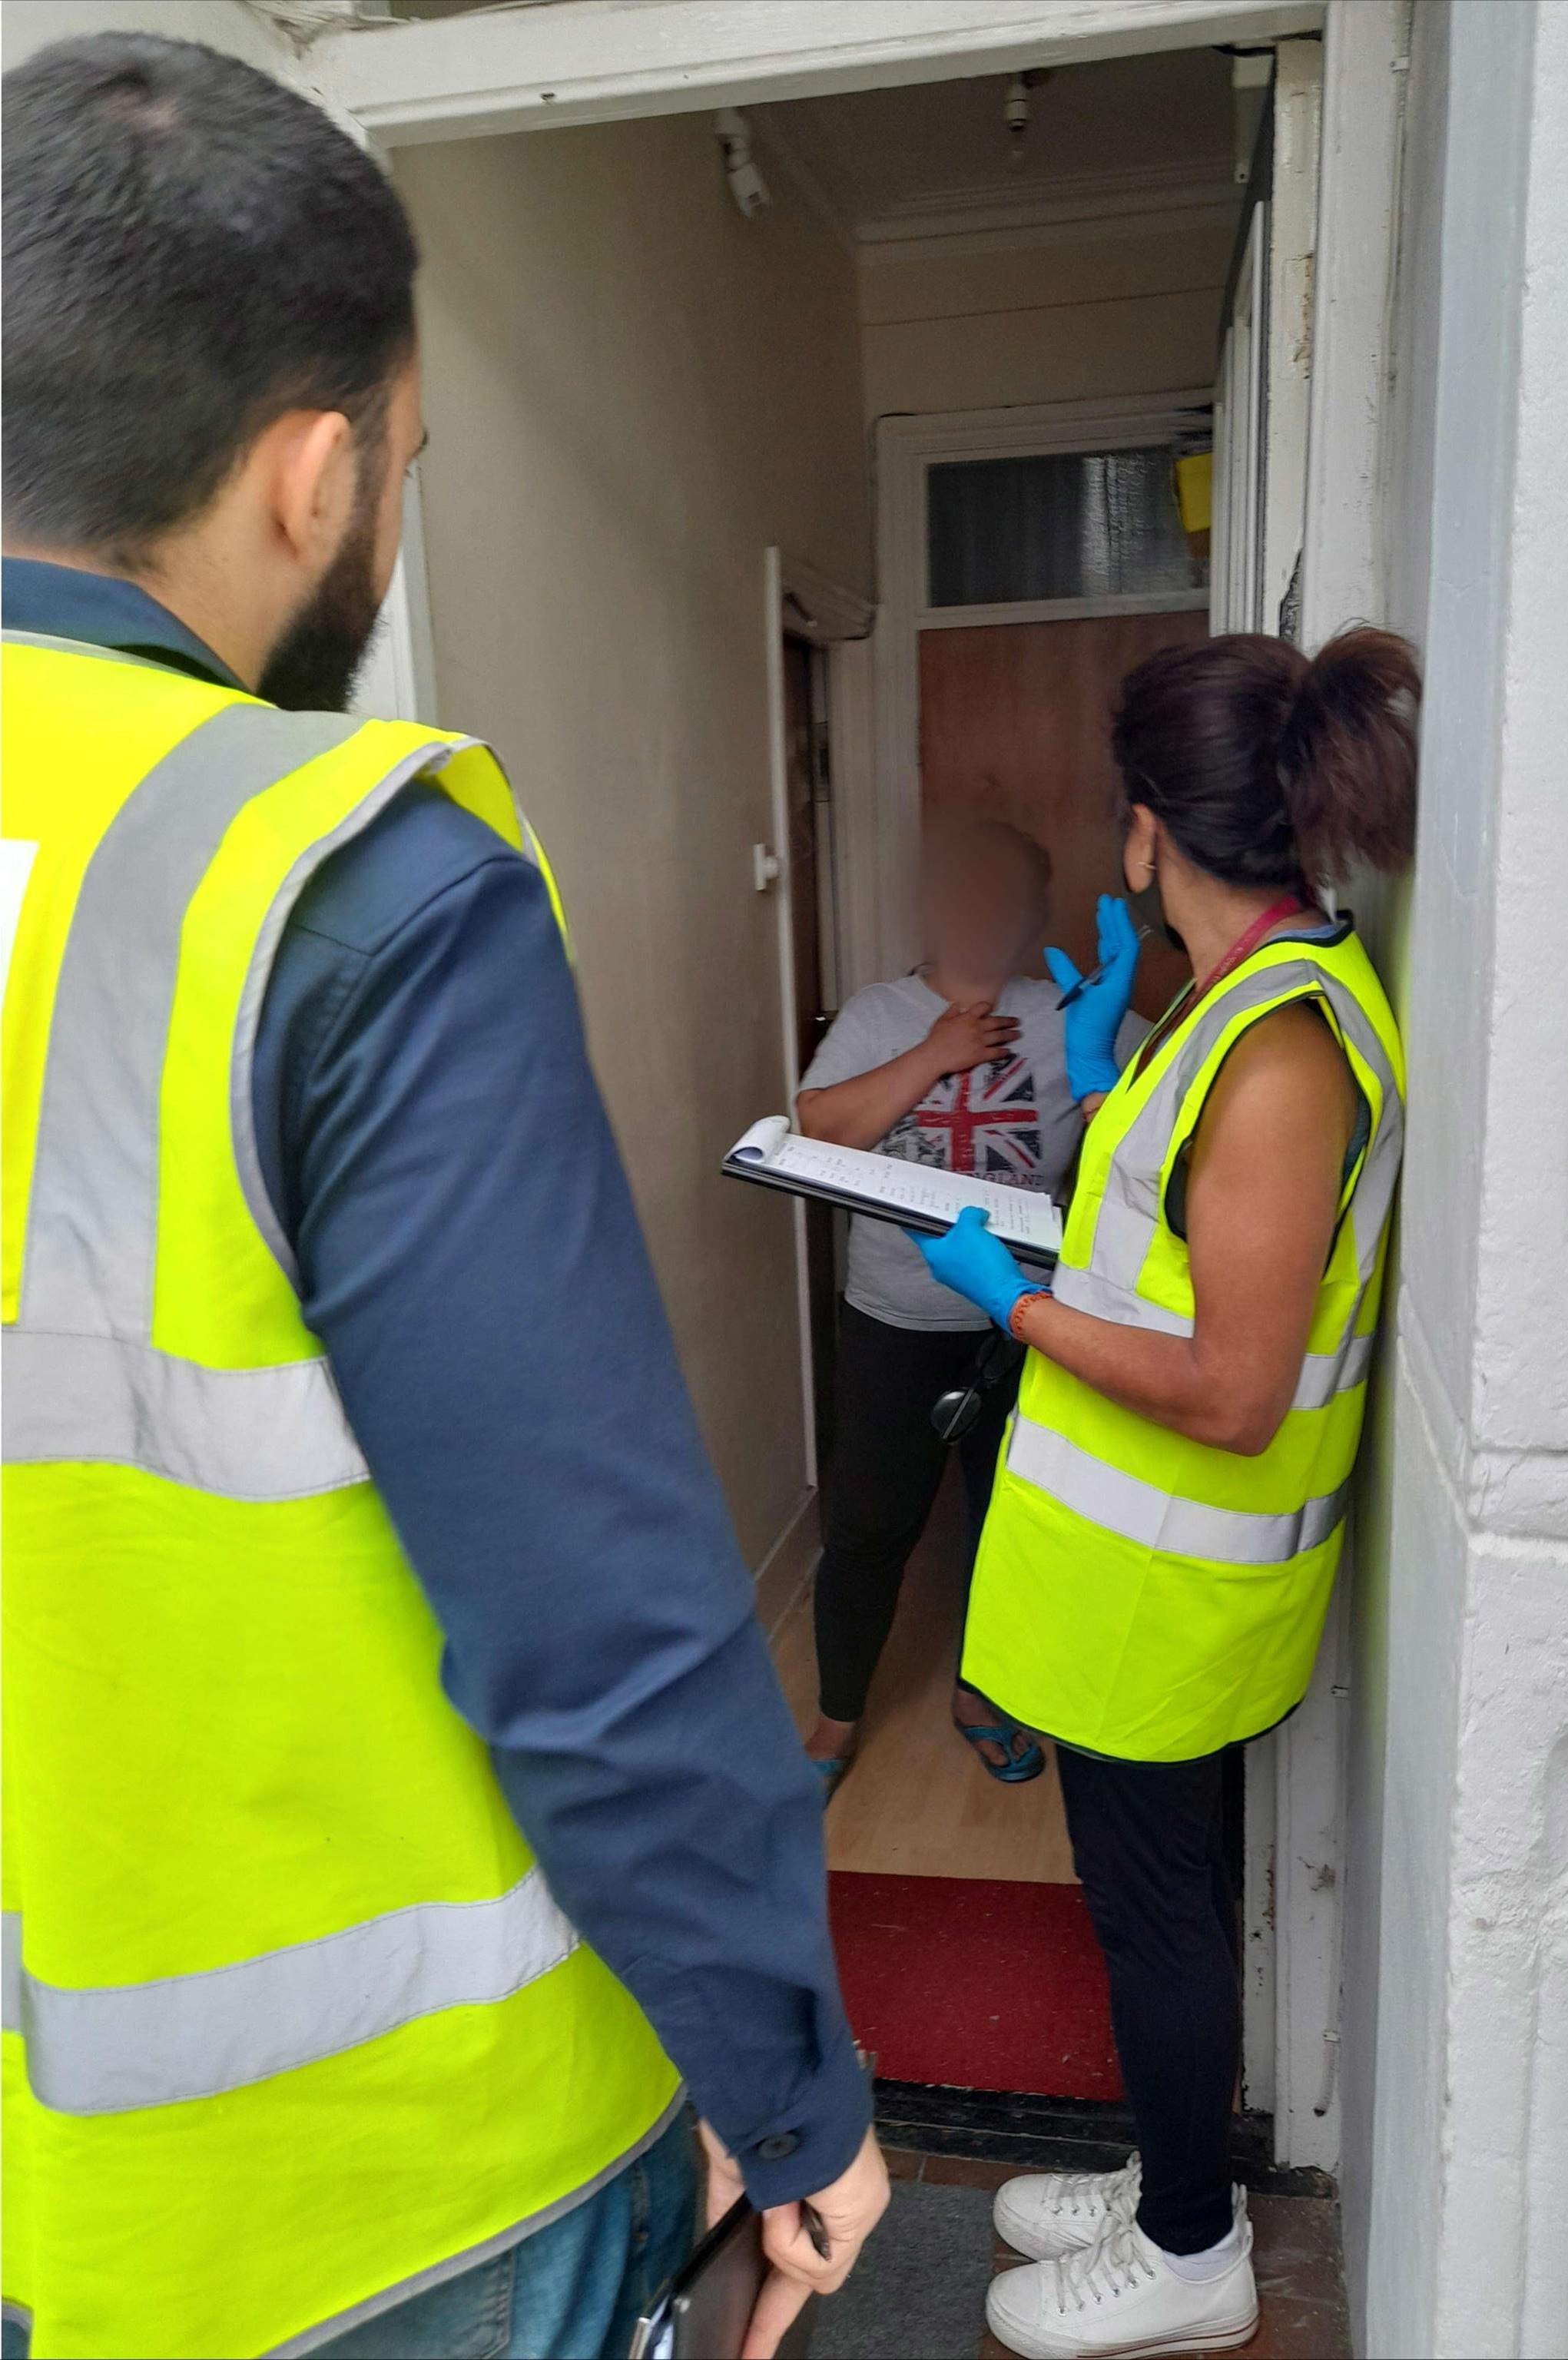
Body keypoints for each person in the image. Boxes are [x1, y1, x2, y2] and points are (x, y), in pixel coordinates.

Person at [0, 35, 886, 2360]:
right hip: (368, 2217)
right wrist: (786, 2089)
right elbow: (596, 1625)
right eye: (403, 462)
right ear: (312, 475)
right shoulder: (329, 881)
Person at [913, 630, 1417, 2358]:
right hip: (1125, 1575)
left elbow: (1231, 1382)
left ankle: (1194, 2253)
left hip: (1169, 1589)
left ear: (1146, 830)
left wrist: (1017, 1302)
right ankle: (1167, 2173)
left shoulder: (1280, 1049)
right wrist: (1135, 1007)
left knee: (1156, 1921)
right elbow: (1175, 1250)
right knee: (1158, 1909)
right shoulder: (1233, 999)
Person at [795, 822, 1140, 1800]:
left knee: (1008, 1526)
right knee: (867, 1527)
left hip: (1028, 1319)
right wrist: (934, 1056)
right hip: (892, 1320)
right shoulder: (878, 1011)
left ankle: (978, 1697)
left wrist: (1099, 1059)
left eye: (1005, 898)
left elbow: (1157, 1137)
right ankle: (836, 1713)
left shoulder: (1076, 1011)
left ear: (1030, 916)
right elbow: (822, 1128)